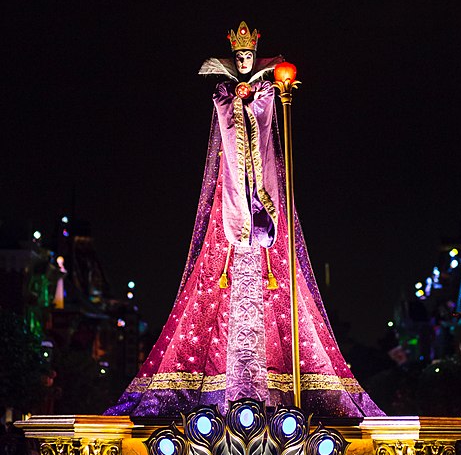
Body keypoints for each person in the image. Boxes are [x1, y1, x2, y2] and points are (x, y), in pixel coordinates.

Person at [105, 22, 383, 417]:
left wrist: (261, 99)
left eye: (249, 56)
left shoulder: (268, 92)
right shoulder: (224, 93)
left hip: (263, 203)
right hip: (233, 197)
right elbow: (226, 114)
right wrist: (237, 101)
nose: (244, 62)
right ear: (233, 60)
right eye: (239, 58)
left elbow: (264, 119)